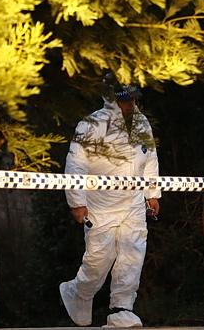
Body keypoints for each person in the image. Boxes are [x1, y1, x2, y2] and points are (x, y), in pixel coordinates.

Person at [59, 71, 161, 327]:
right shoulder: (90, 125)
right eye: (125, 99)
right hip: (100, 206)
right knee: (98, 261)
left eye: (133, 99)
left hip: (134, 205)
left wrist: (152, 193)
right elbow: (76, 164)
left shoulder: (142, 124)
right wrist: (77, 201)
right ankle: (78, 292)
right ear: (112, 99)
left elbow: (149, 159)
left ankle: (120, 309)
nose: (130, 104)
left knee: (133, 254)